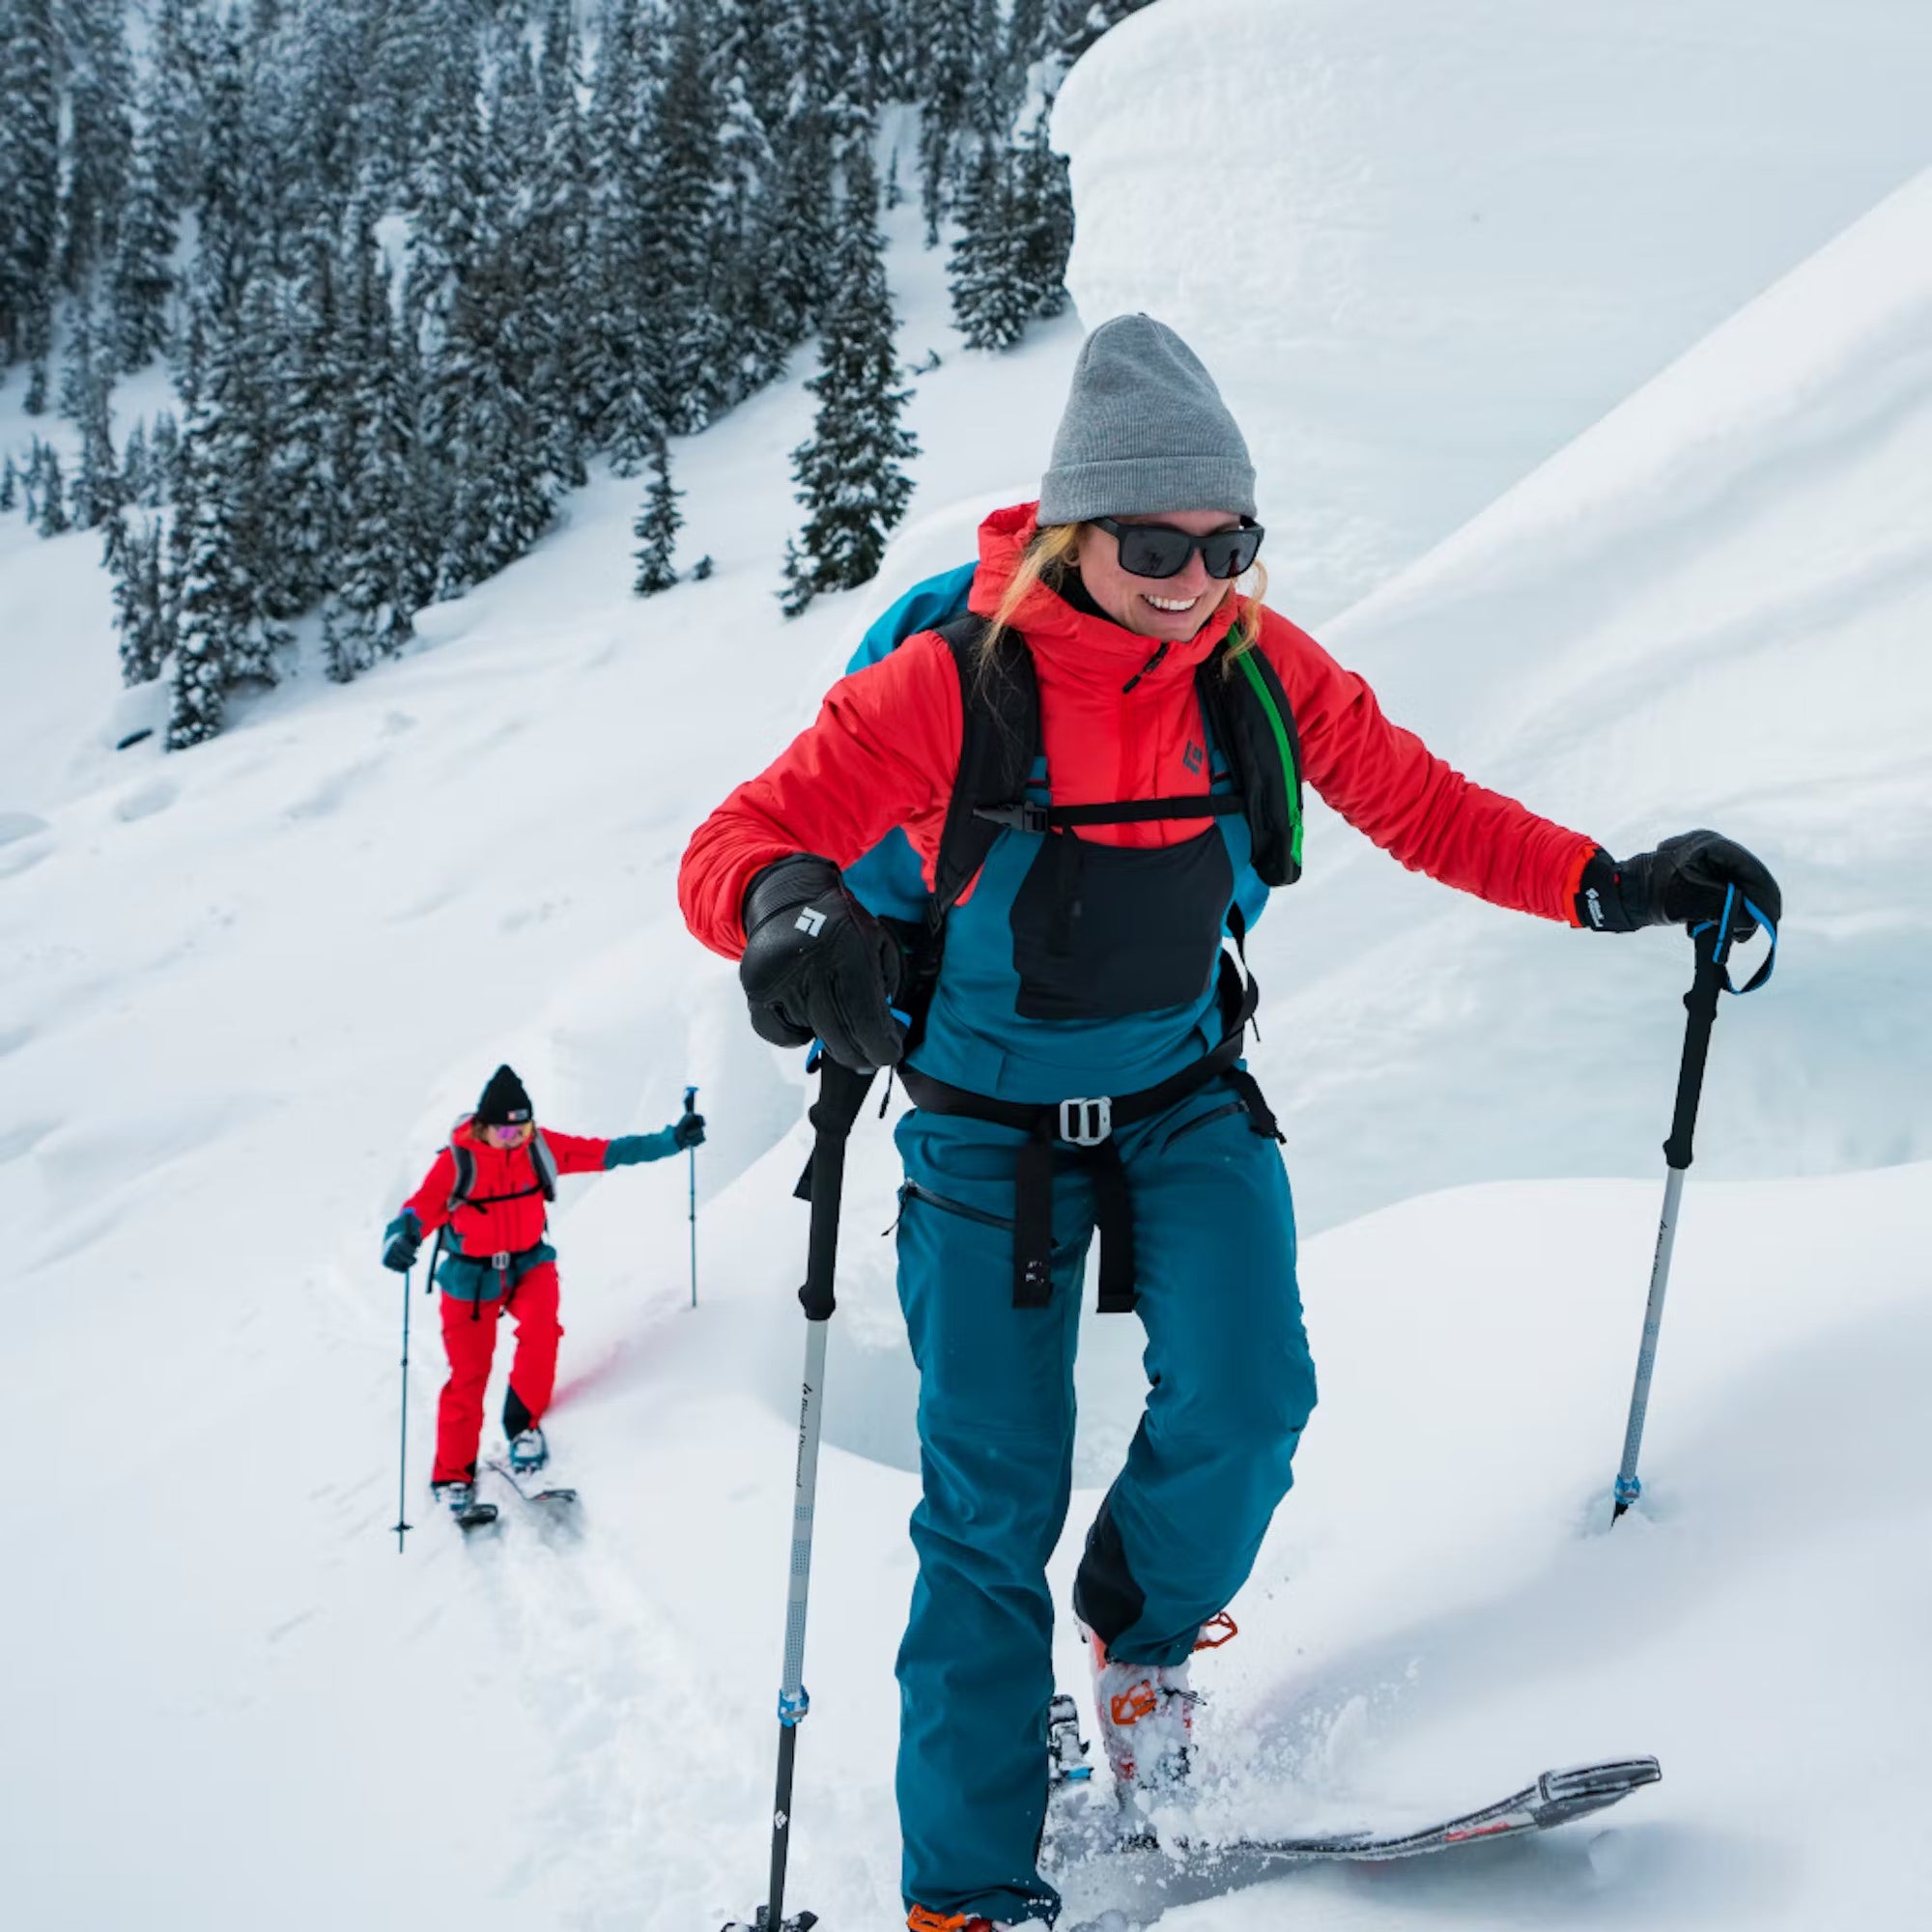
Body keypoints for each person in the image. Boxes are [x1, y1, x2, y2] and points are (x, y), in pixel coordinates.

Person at [677, 315, 1780, 1932]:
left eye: (1229, 541)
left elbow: (1417, 797)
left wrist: (1607, 886)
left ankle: (1138, 1640)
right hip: (984, 1125)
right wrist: (784, 910)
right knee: (990, 1502)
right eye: (1154, 542)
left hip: (1185, 1092)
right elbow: (743, 834)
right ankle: (969, 1895)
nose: (1194, 574)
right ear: (1074, 531)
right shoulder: (950, 687)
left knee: (1255, 1393)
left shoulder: (1255, 671)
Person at [382, 1064, 705, 1511]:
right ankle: (453, 1474)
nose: (515, 1138)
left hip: (528, 1265)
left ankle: (523, 1426)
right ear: (482, 1125)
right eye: (505, 1130)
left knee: (541, 1333)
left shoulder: (541, 1148)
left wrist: (673, 1139)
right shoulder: (458, 1161)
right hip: (470, 1279)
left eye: (522, 1128)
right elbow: (418, 1211)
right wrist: (401, 1238)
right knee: (468, 1377)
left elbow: (609, 1152)